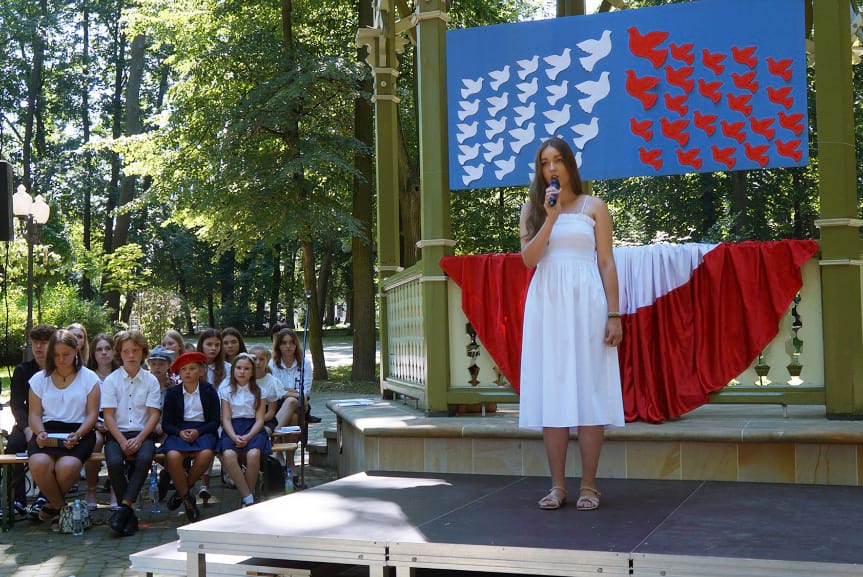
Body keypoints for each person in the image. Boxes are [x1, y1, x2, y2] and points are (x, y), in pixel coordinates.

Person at [518, 137, 624, 511]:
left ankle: (590, 487)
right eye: (545, 162)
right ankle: (558, 486)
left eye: (557, 160)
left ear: (569, 165)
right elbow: (530, 260)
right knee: (554, 392)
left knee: (590, 390)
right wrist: (550, 217)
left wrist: (614, 314)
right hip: (548, 307)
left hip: (587, 305)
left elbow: (607, 263)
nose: (551, 168)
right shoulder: (532, 209)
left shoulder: (594, 207)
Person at [27, 329, 101, 528]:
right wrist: (39, 432)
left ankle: (51, 506)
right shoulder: (38, 379)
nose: (61, 359)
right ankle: (62, 509)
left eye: (66, 354)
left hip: (80, 431)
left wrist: (78, 434)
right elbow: (33, 415)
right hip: (46, 430)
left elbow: (93, 414)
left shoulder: (90, 378)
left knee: (66, 467)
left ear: (76, 351)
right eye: (56, 355)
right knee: (39, 463)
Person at [101, 330, 161, 536]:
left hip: (142, 433)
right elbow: (108, 416)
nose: (131, 355)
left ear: (142, 351)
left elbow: (154, 414)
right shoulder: (111, 380)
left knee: (144, 457)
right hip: (117, 434)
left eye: (135, 350)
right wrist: (121, 440)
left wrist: (139, 438)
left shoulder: (151, 380)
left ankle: (124, 507)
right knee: (115, 462)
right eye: (126, 351)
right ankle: (129, 515)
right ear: (120, 353)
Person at [4, 324, 57, 519]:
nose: (39, 347)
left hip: (52, 423)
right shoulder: (22, 370)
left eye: (44, 343)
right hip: (25, 423)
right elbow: (17, 404)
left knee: (51, 449)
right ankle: (16, 499)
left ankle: (45, 497)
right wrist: (26, 428)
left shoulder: (59, 370)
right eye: (35, 343)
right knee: (13, 446)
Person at [161, 351, 220, 522]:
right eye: (184, 369)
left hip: (203, 429)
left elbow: (215, 421)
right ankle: (187, 499)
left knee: (206, 453)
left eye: (192, 368)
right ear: (178, 373)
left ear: (201, 371)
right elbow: (166, 424)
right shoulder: (172, 393)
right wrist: (179, 432)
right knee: (172, 456)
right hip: (179, 430)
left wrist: (199, 432)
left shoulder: (209, 391)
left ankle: (181, 493)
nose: (187, 372)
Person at [218, 353, 271, 507]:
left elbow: (260, 419)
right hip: (232, 428)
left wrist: (248, 437)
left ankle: (247, 496)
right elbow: (226, 418)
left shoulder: (260, 391)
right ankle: (248, 496)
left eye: (246, 369)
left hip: (253, 428)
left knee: (254, 454)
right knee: (228, 454)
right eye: (239, 368)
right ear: (233, 370)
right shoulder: (226, 390)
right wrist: (234, 437)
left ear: (252, 371)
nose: (242, 372)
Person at [84, 332, 120, 510]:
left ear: (114, 351)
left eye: (108, 348)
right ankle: (91, 490)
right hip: (94, 423)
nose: (104, 353)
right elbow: (82, 406)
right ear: (93, 353)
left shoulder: (121, 374)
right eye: (99, 349)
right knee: (96, 442)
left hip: (118, 423)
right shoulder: (87, 376)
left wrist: (112, 424)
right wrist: (97, 424)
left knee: (117, 445)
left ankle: (116, 490)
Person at [195, 328, 229, 502]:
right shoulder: (194, 367)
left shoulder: (227, 368)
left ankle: (206, 484)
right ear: (201, 345)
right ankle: (204, 485)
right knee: (208, 436)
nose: (213, 348)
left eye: (217, 345)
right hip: (199, 416)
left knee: (216, 434)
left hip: (225, 414)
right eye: (209, 344)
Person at [270, 328, 313, 431]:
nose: (288, 346)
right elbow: (276, 391)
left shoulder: (304, 363)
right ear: (278, 346)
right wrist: (297, 393)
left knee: (291, 401)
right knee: (293, 418)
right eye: (284, 343)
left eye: (291, 343)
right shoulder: (272, 364)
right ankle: (286, 446)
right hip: (278, 404)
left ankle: (273, 434)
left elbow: (305, 390)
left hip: (302, 404)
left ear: (296, 345)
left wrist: (286, 390)